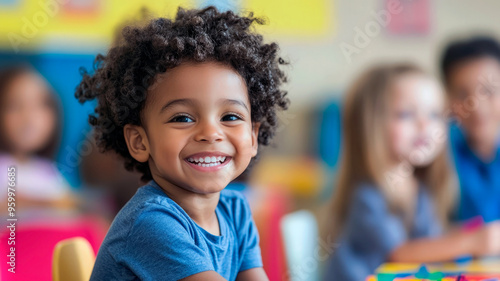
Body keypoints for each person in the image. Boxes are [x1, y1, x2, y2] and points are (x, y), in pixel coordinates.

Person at [76, 6, 289, 281]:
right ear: (140, 142)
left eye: (230, 116)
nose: (211, 133)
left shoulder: (235, 212)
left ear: (252, 136)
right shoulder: (151, 223)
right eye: (183, 118)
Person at [322, 63, 500, 281]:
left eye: (435, 114)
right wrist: (473, 242)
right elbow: (400, 253)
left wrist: (467, 234)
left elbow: (430, 242)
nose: (425, 125)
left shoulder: (419, 186)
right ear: (370, 125)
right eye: (406, 114)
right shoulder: (367, 194)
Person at [0, 64, 76, 214]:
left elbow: (69, 209)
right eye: (15, 105)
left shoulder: (50, 173)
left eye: (42, 105)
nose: (29, 118)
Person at [441, 36, 500, 223]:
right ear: (447, 98)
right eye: (462, 94)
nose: (477, 107)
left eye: (489, 91)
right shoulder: (438, 151)